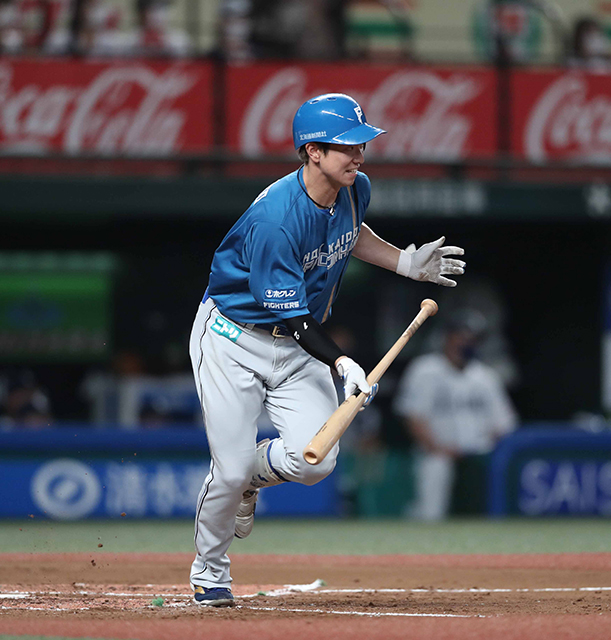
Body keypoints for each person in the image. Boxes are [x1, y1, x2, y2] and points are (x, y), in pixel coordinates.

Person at [188, 93, 465, 607]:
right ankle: (209, 571)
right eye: (347, 146)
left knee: (316, 461)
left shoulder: (355, 188)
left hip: (296, 345)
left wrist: (406, 263)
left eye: (362, 144)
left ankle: (250, 475)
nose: (359, 154)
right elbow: (292, 317)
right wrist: (340, 361)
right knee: (226, 471)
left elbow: (349, 234)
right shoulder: (276, 219)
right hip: (232, 340)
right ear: (313, 152)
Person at [394, 314, 517, 521]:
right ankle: (428, 528)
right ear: (447, 337)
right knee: (435, 470)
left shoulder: (486, 376)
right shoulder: (425, 370)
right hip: (437, 453)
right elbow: (413, 417)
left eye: (471, 338)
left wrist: (487, 447)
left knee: (493, 471)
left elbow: (505, 424)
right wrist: (438, 448)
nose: (465, 342)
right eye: (460, 336)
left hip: (479, 454)